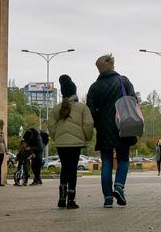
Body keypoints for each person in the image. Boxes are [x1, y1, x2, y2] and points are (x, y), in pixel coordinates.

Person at [87, 54, 138, 208]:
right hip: (123, 126)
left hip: (104, 130)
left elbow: (90, 111)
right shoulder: (123, 81)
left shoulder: (94, 87)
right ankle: (119, 186)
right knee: (123, 159)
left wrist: (98, 123)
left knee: (107, 162)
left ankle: (108, 198)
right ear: (113, 65)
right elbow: (133, 100)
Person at [48, 74, 94, 209]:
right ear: (74, 92)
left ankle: (61, 198)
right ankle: (71, 200)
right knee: (72, 169)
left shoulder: (56, 109)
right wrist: (86, 137)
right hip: (75, 144)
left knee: (64, 168)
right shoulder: (82, 108)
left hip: (61, 143)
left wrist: (56, 137)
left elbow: (50, 126)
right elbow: (88, 124)